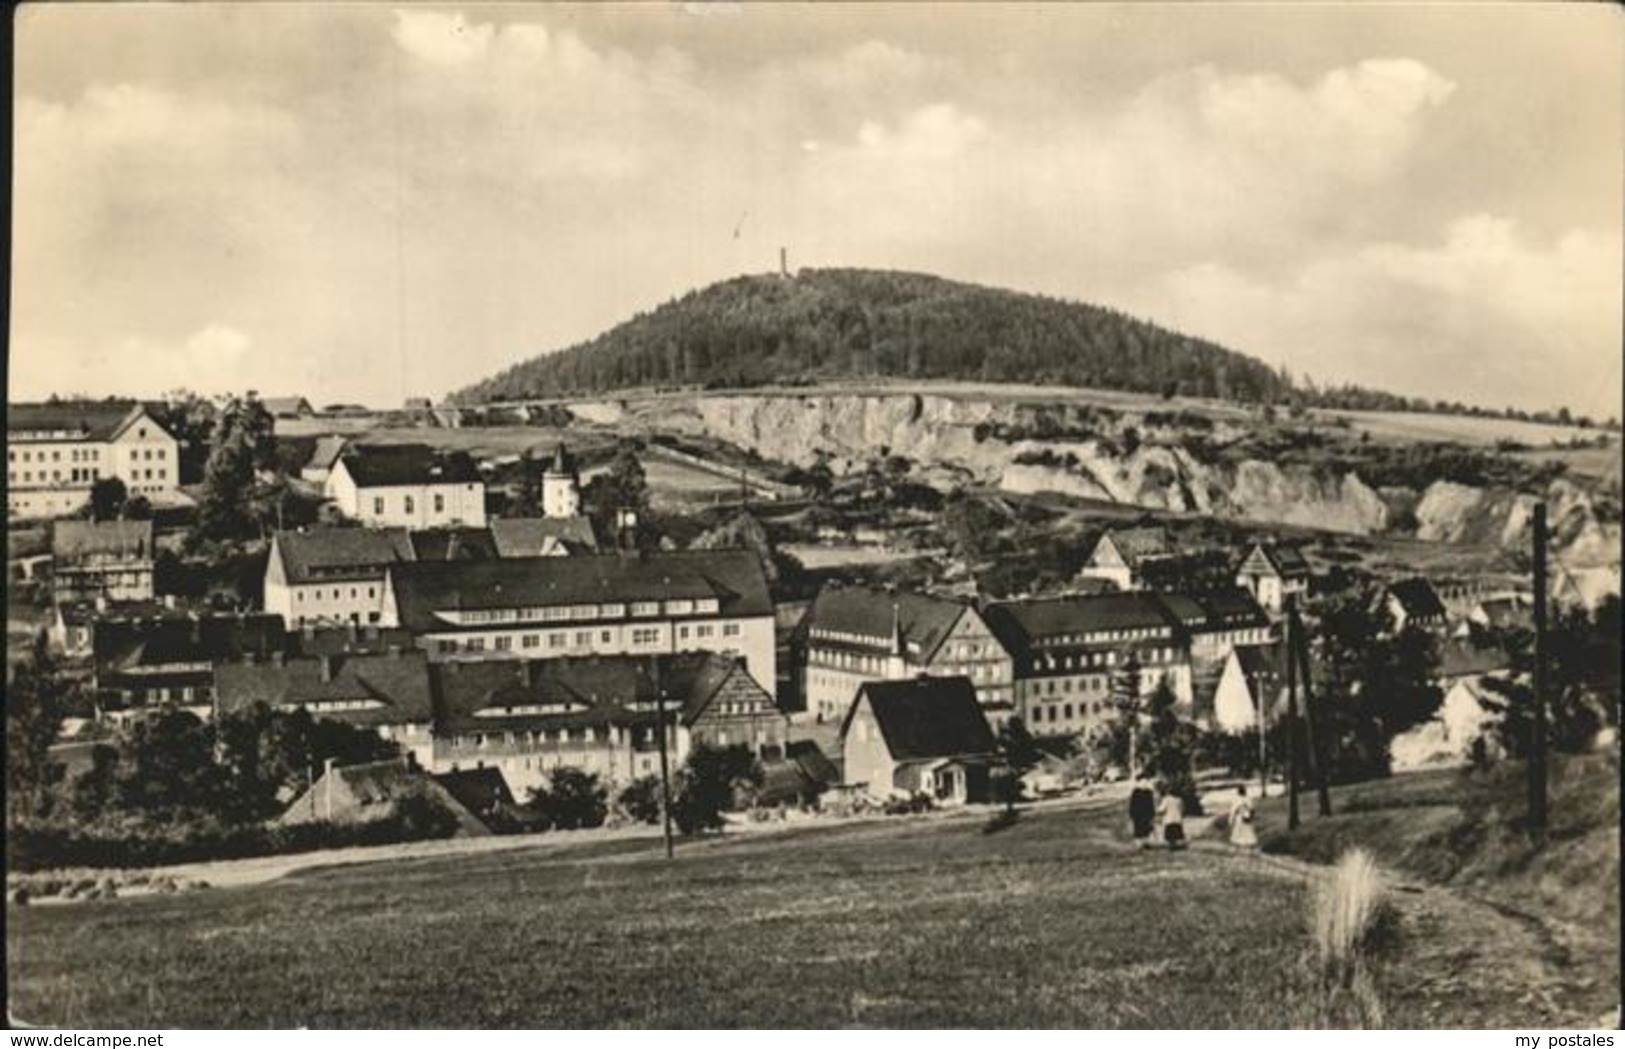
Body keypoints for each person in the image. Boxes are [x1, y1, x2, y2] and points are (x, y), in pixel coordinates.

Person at [1128, 777, 1156, 849]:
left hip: (1140, 813)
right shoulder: (1147, 792)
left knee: (1142, 828)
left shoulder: (1137, 792)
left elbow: (1132, 804)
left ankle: (1142, 843)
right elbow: (1151, 804)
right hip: (1143, 813)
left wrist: (1132, 813)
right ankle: (1143, 843)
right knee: (1143, 828)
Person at [1228, 784, 1258, 849]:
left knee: (1243, 828)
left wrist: (1231, 819)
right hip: (1244, 816)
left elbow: (1233, 810)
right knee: (1243, 828)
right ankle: (1244, 842)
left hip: (1243, 816)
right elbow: (1251, 808)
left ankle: (1243, 842)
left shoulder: (1238, 799)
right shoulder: (1247, 799)